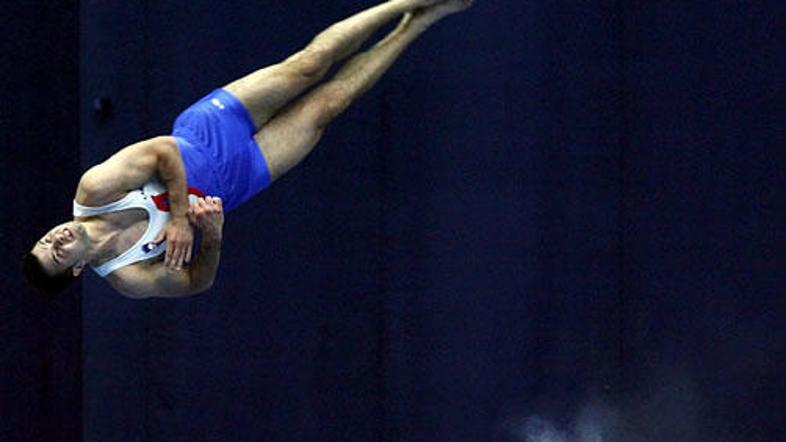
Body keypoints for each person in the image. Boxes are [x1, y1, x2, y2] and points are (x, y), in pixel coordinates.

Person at [22, 0, 474, 298]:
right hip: (238, 181)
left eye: (46, 239)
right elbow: (197, 281)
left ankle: (404, 3)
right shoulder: (128, 276)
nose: (57, 239)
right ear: (76, 270)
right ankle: (419, 22)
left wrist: (179, 219)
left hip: (206, 132)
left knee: (307, 65)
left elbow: (163, 152)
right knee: (327, 106)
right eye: (56, 253)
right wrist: (212, 236)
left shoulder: (94, 190)